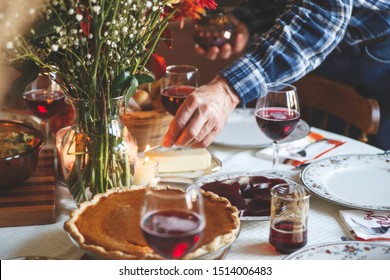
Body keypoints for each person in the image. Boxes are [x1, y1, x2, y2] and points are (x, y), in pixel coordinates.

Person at [162, 0, 390, 150]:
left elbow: (318, 18)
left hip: (378, 53)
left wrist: (226, 90)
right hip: (335, 43)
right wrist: (249, 19)